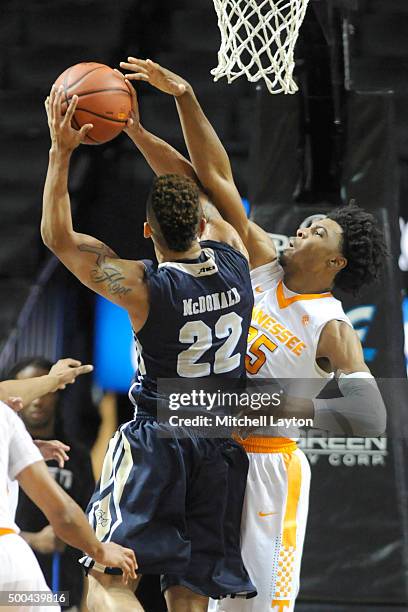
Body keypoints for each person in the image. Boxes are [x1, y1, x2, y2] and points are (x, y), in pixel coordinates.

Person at [118, 57, 388, 612]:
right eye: (307, 222)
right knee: (191, 595)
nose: (302, 229)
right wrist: (179, 103)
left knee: (256, 608)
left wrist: (274, 408)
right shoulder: (262, 263)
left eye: (318, 231)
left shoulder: (331, 328)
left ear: (336, 261)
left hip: (268, 466)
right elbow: (209, 185)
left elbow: (371, 416)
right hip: (214, 452)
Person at [41, 85, 256, 612]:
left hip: (158, 442)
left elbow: (58, 238)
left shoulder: (142, 287)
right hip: (219, 443)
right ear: (202, 225)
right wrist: (138, 130)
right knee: (189, 588)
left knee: (109, 572)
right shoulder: (235, 253)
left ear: (146, 231)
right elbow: (198, 180)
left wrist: (60, 151)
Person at [0, 384, 137, 612]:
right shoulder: (5, 418)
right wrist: (99, 551)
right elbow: (62, 513)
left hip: (57, 583)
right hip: (10, 569)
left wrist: (25, 446)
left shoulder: (74, 456)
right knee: (112, 592)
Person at [8, 357, 95, 611]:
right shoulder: (5, 452)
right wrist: (34, 540)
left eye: (43, 390)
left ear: (57, 393)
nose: (36, 399)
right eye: (28, 389)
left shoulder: (75, 455)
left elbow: (88, 517)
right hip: (13, 584)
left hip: (65, 587)